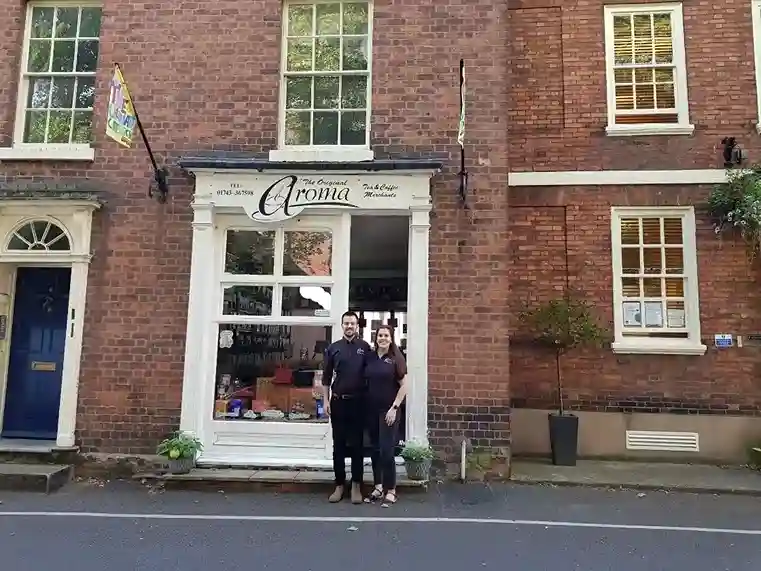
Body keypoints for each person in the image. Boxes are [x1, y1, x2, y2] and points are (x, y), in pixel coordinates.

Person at [322, 310, 372, 504]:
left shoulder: (365, 347)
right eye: (346, 323)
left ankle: (357, 485)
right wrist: (326, 401)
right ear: (342, 325)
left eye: (352, 323)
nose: (349, 326)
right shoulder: (333, 348)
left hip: (358, 402)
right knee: (339, 446)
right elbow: (326, 378)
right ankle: (339, 485)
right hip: (338, 402)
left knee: (358, 445)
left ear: (357, 326)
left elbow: (371, 374)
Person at [363, 324, 408, 507]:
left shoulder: (396, 359)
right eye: (380, 335)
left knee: (387, 451)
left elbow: (404, 385)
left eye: (386, 336)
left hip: (389, 411)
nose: (382, 338)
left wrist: (394, 407)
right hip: (371, 410)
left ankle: (391, 490)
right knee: (374, 449)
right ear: (376, 337)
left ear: (391, 338)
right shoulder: (370, 357)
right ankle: (378, 486)